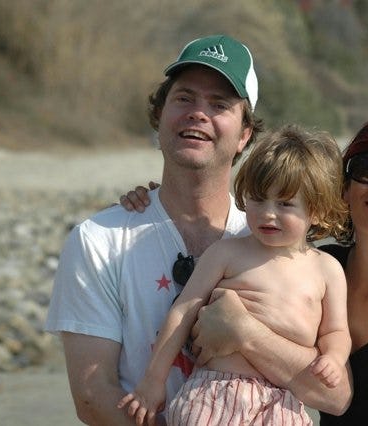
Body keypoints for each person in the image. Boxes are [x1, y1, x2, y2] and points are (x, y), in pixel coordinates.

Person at [121, 113, 368, 425]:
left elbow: (336, 394)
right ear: (342, 188)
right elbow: (258, 207)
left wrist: (245, 331)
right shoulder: (323, 263)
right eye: (367, 170)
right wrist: (153, 199)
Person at [44, 34, 267, 425]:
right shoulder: (99, 241)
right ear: (160, 114)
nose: (198, 113)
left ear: (245, 134)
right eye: (184, 98)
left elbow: (326, 388)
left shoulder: (269, 243)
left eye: (219, 104)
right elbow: (94, 397)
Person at [118, 124, 351, 426]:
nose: (268, 213)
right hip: (215, 393)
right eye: (258, 199)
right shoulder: (227, 252)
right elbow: (182, 312)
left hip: (282, 402)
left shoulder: (327, 269)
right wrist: (153, 381)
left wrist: (333, 357)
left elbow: (335, 331)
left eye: (284, 204)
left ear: (316, 210)